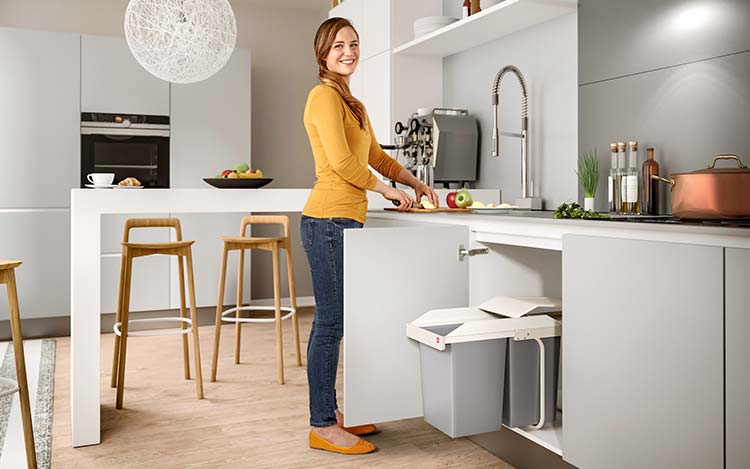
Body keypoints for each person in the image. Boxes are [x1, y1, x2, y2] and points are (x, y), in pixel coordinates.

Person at [300, 17, 439, 455]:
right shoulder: (322, 97)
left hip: (345, 223)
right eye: (339, 45)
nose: (349, 52)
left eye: (355, 44)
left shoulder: (352, 103)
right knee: (330, 323)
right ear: (323, 52)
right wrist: (386, 190)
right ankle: (322, 424)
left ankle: (331, 411)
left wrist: (412, 181)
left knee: (338, 321)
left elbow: (375, 154)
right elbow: (342, 163)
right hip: (326, 221)